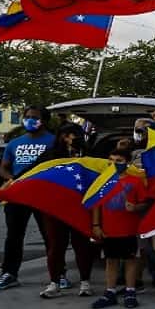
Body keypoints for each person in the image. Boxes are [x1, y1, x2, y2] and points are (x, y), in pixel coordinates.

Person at [0, 106, 55, 291]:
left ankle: (58, 275)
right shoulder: (14, 143)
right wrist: (11, 179)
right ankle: (9, 274)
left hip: (44, 195)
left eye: (34, 117)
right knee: (14, 236)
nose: (29, 120)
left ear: (44, 120)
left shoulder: (53, 142)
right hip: (18, 194)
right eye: (27, 117)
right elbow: (4, 167)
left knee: (50, 235)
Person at [35, 123, 97, 299]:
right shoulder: (49, 155)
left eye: (73, 135)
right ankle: (55, 282)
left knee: (82, 245)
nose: (69, 138)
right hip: (54, 208)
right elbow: (34, 173)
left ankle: (85, 282)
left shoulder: (89, 154)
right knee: (56, 246)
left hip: (81, 207)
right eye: (65, 135)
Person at [90, 147, 151, 309]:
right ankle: (110, 292)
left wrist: (136, 208)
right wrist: (96, 225)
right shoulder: (102, 181)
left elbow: (145, 203)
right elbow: (95, 204)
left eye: (119, 161)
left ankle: (130, 291)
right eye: (111, 160)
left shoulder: (135, 181)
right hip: (109, 229)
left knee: (130, 260)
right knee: (111, 260)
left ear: (127, 163)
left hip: (129, 229)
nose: (114, 164)